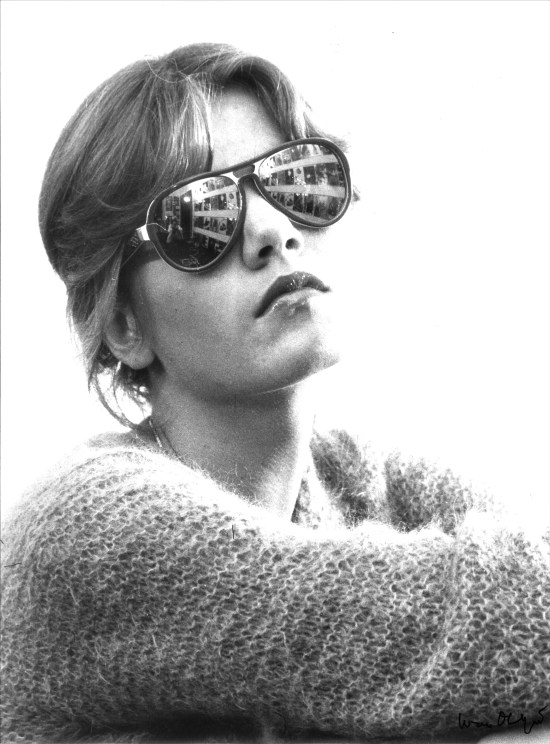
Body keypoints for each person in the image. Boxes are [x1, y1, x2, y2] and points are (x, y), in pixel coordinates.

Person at [1, 43, 548, 744]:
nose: (273, 231)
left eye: (297, 180)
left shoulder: (365, 482)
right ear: (124, 325)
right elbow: (459, 627)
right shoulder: (85, 528)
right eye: (201, 216)